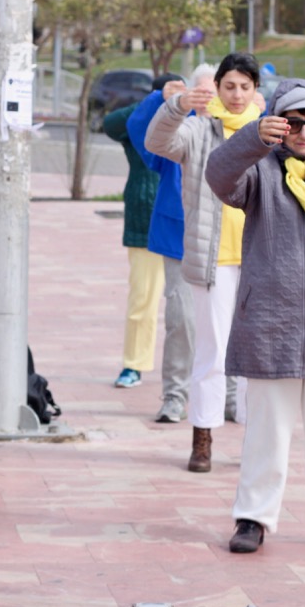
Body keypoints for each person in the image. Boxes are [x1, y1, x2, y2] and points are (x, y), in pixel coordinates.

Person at [205, 78, 305, 552]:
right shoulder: (260, 172)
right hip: (272, 325)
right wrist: (252, 136)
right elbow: (219, 175)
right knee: (266, 430)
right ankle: (253, 517)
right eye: (294, 123)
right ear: (278, 126)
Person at [145, 53, 261, 472]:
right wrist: (176, 105)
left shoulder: (268, 132)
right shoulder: (197, 129)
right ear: (216, 87)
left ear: (255, 90)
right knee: (212, 353)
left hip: (261, 261)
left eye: (244, 87)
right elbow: (157, 143)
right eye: (228, 86)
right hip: (212, 261)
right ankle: (203, 438)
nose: (236, 94)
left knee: (257, 358)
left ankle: (256, 442)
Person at [127, 73, 193, 424]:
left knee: (230, 325)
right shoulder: (180, 127)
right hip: (178, 236)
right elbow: (141, 131)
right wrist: (162, 99)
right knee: (181, 319)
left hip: (232, 242)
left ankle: (231, 397)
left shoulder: (244, 126)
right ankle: (175, 396)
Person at [104, 84, 165, 391]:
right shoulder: (138, 125)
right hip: (146, 222)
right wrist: (155, 100)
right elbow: (110, 124)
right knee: (143, 299)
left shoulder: (194, 118)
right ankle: (134, 364)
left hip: (190, 224)